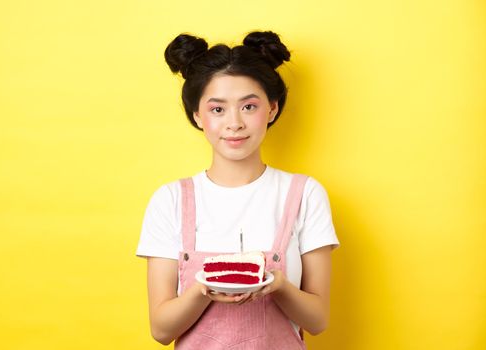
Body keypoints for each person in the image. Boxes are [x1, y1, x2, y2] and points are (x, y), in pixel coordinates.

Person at [136, 31, 339, 349]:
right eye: (217, 109)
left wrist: (278, 285)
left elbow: (318, 321)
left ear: (272, 110)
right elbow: (161, 330)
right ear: (197, 116)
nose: (234, 123)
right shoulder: (171, 200)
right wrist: (203, 289)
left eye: (249, 107)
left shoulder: (305, 194)